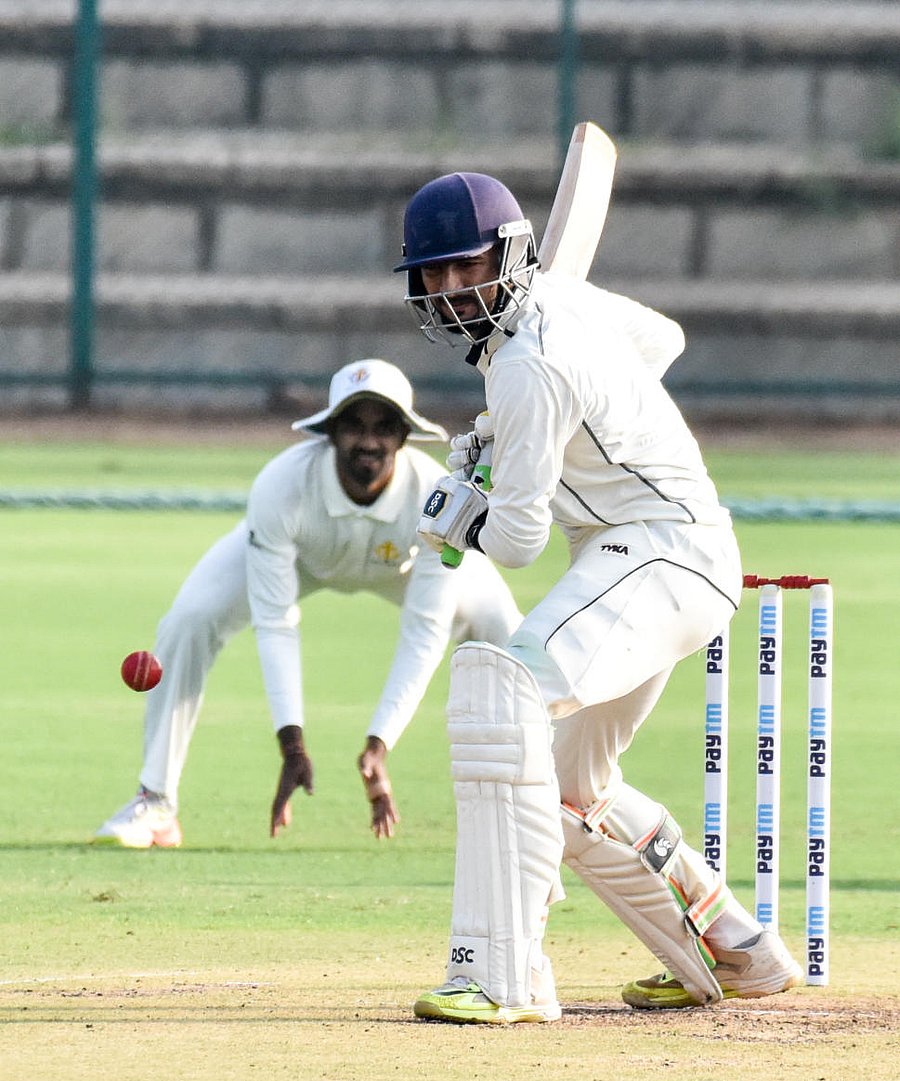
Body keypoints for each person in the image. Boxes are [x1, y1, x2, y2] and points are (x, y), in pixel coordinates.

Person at [394, 172, 803, 1021]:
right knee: (575, 782)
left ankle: (504, 973)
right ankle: (738, 948)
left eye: (466, 270)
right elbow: (662, 338)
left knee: (497, 695)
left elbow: (515, 542)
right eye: (434, 276)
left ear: (506, 259)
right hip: (658, 555)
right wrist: (559, 414)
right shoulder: (557, 319)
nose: (451, 293)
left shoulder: (527, 365)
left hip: (656, 550)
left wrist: (466, 501)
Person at [94, 359, 522, 849]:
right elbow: (276, 624)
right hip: (302, 561)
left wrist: (379, 745)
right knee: (189, 621)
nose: (368, 442)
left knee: (507, 629)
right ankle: (155, 802)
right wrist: (291, 744)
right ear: (330, 431)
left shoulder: (434, 498)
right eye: (353, 426)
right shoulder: (282, 484)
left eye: (384, 427)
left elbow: (425, 631)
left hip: (401, 567)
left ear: (404, 436)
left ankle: (537, 806)